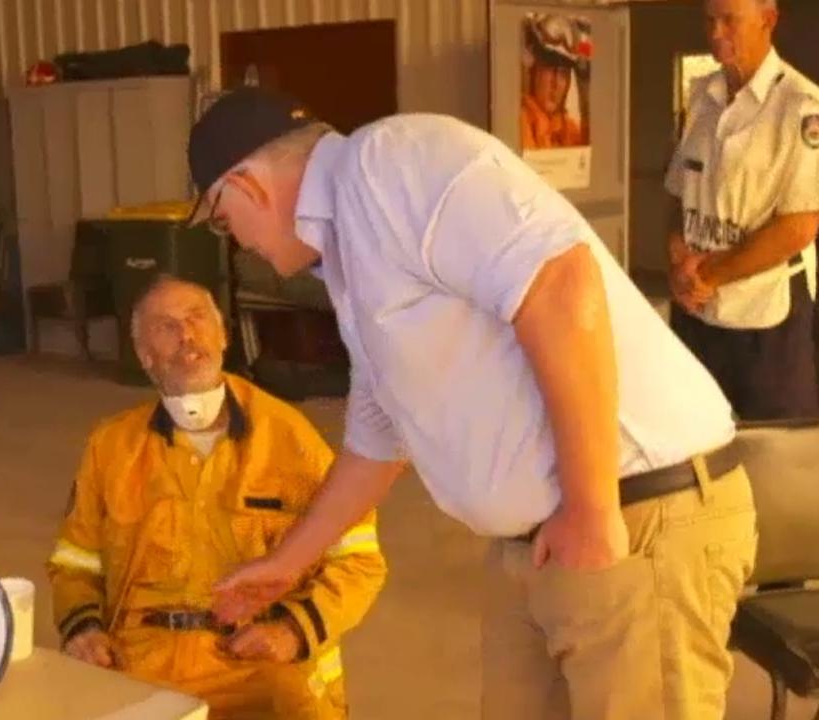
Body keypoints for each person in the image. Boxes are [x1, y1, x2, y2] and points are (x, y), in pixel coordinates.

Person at [186, 87, 756, 720]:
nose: (234, 241)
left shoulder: (393, 164)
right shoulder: (348, 252)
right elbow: (379, 433)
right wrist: (289, 563)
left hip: (632, 514)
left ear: (248, 186)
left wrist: (592, 510)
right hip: (542, 541)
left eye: (221, 218)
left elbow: (560, 284)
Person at [47, 276, 386, 719]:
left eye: (196, 319)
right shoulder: (110, 447)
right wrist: (83, 628)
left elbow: (359, 560)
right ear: (144, 355)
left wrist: (292, 632)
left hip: (258, 657)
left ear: (223, 334)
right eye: (166, 327)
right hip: (142, 656)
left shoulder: (291, 439)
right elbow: (74, 563)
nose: (187, 337)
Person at [666, 0, 819, 420]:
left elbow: (799, 225)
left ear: (768, 21)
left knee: (771, 457)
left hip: (765, 322)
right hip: (698, 313)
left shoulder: (801, 106)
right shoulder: (701, 96)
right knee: (699, 440)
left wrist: (708, 275)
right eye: (709, 20)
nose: (716, 33)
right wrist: (680, 260)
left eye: (729, 21)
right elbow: (679, 191)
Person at [520, 14, 590, 150]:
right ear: (534, 70)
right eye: (550, 69)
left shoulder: (569, 129)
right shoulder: (519, 122)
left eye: (564, 73)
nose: (556, 83)